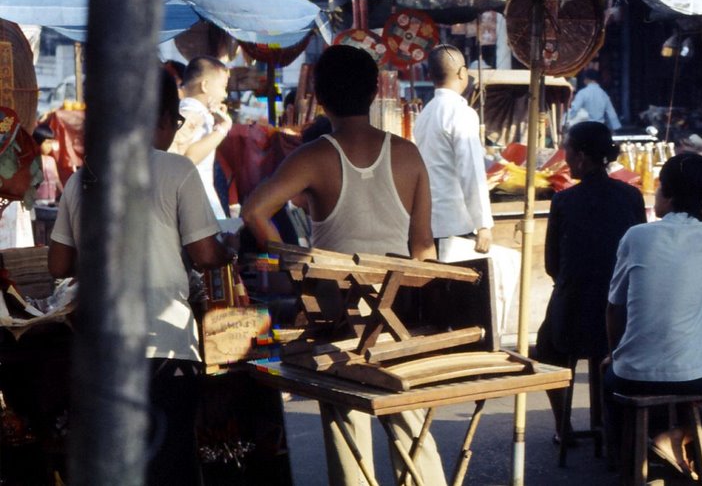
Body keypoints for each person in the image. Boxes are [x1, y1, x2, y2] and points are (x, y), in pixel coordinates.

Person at [240, 45, 446, 486]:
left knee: (345, 425)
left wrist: (295, 266)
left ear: (319, 96)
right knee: (409, 422)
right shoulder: (408, 155)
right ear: (375, 92)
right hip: (395, 315)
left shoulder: (313, 156)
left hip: (333, 316)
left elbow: (254, 210)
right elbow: (423, 249)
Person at [48, 67, 235, 486]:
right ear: (164, 119)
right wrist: (228, 249)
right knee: (168, 463)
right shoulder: (177, 170)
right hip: (164, 349)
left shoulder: (83, 179)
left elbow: (58, 266)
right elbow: (206, 254)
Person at [603, 153, 702, 477]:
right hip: (698, 373)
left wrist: (615, 354)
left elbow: (613, 309)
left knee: (609, 382)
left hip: (632, 374)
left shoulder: (636, 237)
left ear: (670, 195)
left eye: (660, 188)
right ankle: (685, 438)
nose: (656, 194)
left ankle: (626, 460)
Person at [533, 121, 646, 443]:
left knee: (547, 349)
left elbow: (552, 266)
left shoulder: (564, 201)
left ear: (581, 157)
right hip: (621, 311)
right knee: (598, 343)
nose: (564, 157)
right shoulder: (631, 196)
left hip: (575, 311)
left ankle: (563, 427)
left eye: (567, 150)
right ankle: (607, 426)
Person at [413, 44, 493, 258]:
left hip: (427, 222)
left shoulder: (425, 114)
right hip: (454, 225)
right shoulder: (461, 113)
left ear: (430, 75)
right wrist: (483, 223)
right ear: (462, 72)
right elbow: (472, 171)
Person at [171, 56, 232, 219]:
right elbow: (189, 158)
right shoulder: (194, 113)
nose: (225, 94)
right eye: (223, 87)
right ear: (205, 85)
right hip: (195, 204)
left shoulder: (184, 110)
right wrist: (222, 129)